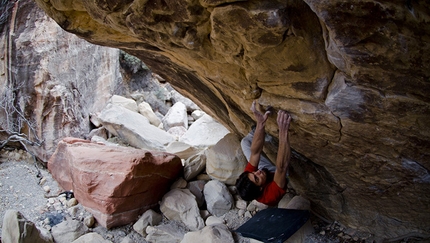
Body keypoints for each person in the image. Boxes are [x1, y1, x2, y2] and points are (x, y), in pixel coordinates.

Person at [235, 101, 291, 206]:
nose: (257, 172)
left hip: (267, 175)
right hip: (278, 176)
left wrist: (260, 123)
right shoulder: (270, 195)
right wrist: (283, 130)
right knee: (283, 168)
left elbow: (255, 153)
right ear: (260, 188)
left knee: (245, 143)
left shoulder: (249, 177)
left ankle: (261, 133)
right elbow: (282, 168)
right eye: (256, 178)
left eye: (253, 173)